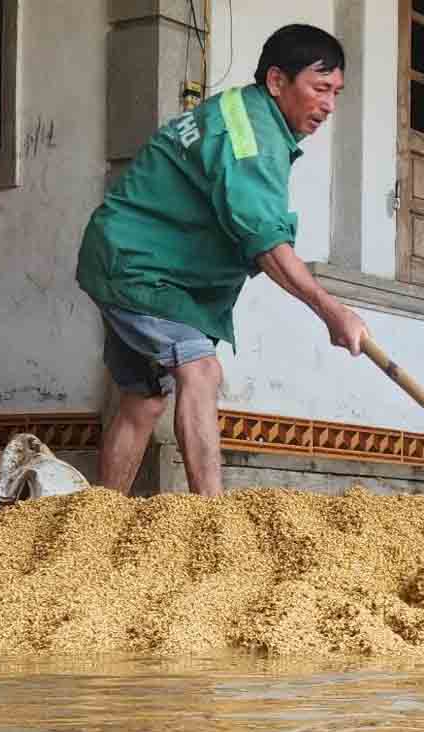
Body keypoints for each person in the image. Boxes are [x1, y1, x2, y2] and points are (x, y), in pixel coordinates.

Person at [75, 24, 368, 496]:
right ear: (277, 81)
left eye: (335, 92)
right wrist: (333, 311)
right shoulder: (249, 137)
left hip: (125, 256)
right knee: (201, 370)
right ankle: (213, 523)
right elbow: (267, 244)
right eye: (319, 89)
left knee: (144, 399)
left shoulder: (243, 113)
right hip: (141, 267)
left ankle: (98, 516)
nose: (329, 105)